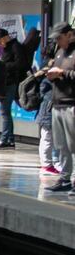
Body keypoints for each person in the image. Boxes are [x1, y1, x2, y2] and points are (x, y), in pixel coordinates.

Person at [44, 24, 75, 194]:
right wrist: (52, 75)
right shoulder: (59, 52)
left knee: (74, 145)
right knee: (61, 145)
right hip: (58, 104)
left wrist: (62, 72)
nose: (57, 41)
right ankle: (65, 178)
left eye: (59, 38)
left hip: (72, 105)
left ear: (69, 35)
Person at [0, 27, 25, 149]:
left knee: (5, 111)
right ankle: (9, 139)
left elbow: (20, 64)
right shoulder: (7, 48)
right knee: (5, 111)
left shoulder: (15, 46)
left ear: (6, 37)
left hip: (10, 83)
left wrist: (3, 65)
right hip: (6, 82)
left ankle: (5, 139)